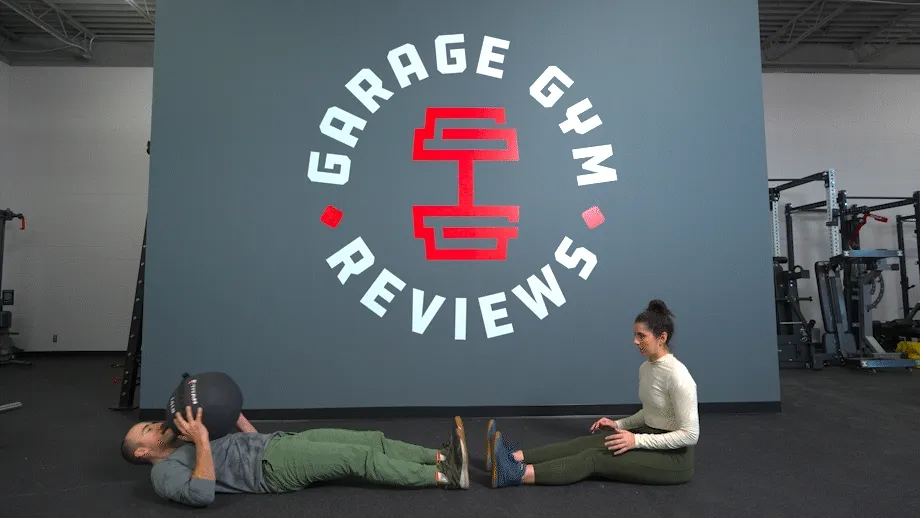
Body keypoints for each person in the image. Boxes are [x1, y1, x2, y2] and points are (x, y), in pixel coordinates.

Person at [486, 299, 699, 488]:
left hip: (674, 458)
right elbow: (652, 412)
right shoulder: (646, 368)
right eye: (635, 335)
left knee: (593, 458)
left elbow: (690, 434)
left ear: (662, 337)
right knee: (583, 444)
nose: (635, 341)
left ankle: (514, 474)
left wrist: (636, 440)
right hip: (649, 435)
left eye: (641, 336)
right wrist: (619, 425)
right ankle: (511, 458)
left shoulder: (678, 376)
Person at [121, 409, 469, 507]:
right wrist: (202, 441)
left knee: (370, 440)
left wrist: (234, 415)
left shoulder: (185, 444)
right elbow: (201, 494)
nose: (155, 427)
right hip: (271, 469)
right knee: (358, 458)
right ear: (142, 451)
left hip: (275, 444)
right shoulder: (163, 473)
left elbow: (247, 442)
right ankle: (445, 477)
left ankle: (442, 456)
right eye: (147, 430)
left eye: (150, 424)